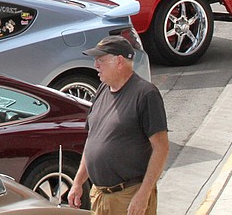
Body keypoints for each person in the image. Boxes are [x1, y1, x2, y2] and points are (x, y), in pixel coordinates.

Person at [68, 36, 167, 215]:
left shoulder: (145, 94)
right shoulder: (102, 90)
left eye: (101, 60)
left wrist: (143, 194)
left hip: (128, 197)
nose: (96, 65)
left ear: (119, 61)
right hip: (99, 195)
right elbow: (93, 140)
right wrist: (78, 181)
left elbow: (161, 147)